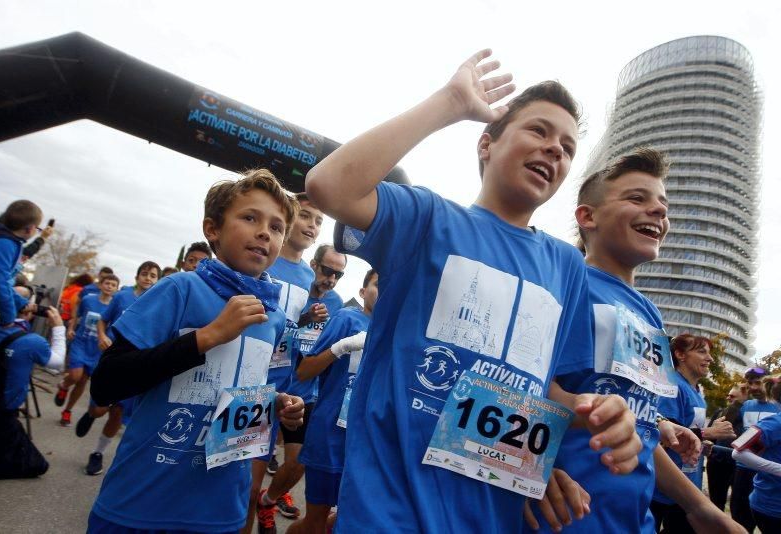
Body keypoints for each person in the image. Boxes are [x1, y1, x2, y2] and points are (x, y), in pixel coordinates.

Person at [306, 49, 641, 532]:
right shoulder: (428, 219)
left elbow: (540, 388)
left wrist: (601, 415)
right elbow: (329, 185)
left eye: (567, 147)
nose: (554, 150)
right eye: (538, 131)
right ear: (486, 145)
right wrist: (449, 102)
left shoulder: (566, 265)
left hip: (492, 518)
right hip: (389, 513)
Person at [528, 149, 742, 533]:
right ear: (587, 216)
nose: (659, 211)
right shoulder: (564, 284)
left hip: (633, 521)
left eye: (663, 204)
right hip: (566, 520)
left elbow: (637, 428)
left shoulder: (651, 316)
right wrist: (528, 475)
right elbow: (515, 391)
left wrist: (702, 509)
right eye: (637, 198)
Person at [86, 169, 305, 532]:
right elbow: (106, 383)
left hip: (220, 512)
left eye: (277, 227)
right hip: (141, 503)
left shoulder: (274, 317)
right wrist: (207, 337)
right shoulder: (180, 289)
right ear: (212, 229)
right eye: (250, 217)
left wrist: (274, 402)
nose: (265, 231)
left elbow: (235, 393)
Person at [249, 193, 324, 533]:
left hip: (282, 386)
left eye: (319, 221)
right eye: (306, 216)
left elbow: (290, 326)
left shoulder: (309, 276)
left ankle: (264, 505)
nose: (312, 225)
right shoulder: (263, 259)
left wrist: (307, 319)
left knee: (256, 485)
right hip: (248, 380)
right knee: (237, 484)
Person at [288, 268, 377, 534]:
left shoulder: (396, 329)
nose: (384, 290)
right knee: (315, 521)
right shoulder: (347, 318)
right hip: (330, 436)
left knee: (348, 520)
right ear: (362, 292)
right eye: (377, 284)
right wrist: (341, 347)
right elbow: (304, 371)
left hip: (366, 441)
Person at [71, 261, 161, 476]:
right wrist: (102, 335)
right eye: (145, 274)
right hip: (113, 360)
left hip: (136, 363)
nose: (148, 278)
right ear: (138, 276)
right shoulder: (121, 297)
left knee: (117, 413)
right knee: (100, 409)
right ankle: (91, 414)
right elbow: (103, 320)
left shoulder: (159, 302)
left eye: (153, 275)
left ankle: (97, 453)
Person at [650, 334, 737, 532]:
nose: (710, 358)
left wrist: (700, 444)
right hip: (663, 487)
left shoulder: (697, 392)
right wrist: (709, 431)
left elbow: (688, 430)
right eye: (701, 351)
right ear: (680, 354)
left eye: (710, 353)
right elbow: (663, 431)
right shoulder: (672, 384)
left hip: (688, 484)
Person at [0, 286, 65, 478]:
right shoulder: (32, 342)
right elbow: (57, 363)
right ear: (29, 310)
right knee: (37, 466)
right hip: (1, 416)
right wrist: (58, 328)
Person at [54, 273, 119, 426]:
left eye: (113, 285)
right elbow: (77, 315)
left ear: (116, 289)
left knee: (82, 381)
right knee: (76, 376)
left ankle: (67, 411)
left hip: (97, 349)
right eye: (107, 283)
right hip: (81, 342)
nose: (109, 286)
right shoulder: (89, 299)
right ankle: (63, 385)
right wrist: (71, 328)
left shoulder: (114, 306)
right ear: (100, 285)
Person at [731, 367, 781, 532]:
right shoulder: (773, 422)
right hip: (768, 502)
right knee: (740, 520)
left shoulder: (775, 415)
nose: (752, 387)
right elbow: (739, 449)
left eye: (757, 382)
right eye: (749, 382)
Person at [0, 200, 42, 325]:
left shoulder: (4, 240)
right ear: (30, 229)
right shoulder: (4, 243)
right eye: (38, 228)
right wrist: (8, 319)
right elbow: (1, 283)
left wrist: (22, 303)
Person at [708, 384, 748, 510]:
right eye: (728, 395)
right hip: (717, 463)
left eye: (733, 396)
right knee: (716, 502)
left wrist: (739, 404)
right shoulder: (720, 412)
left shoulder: (747, 414)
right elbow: (710, 435)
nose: (728, 398)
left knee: (738, 504)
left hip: (738, 465)